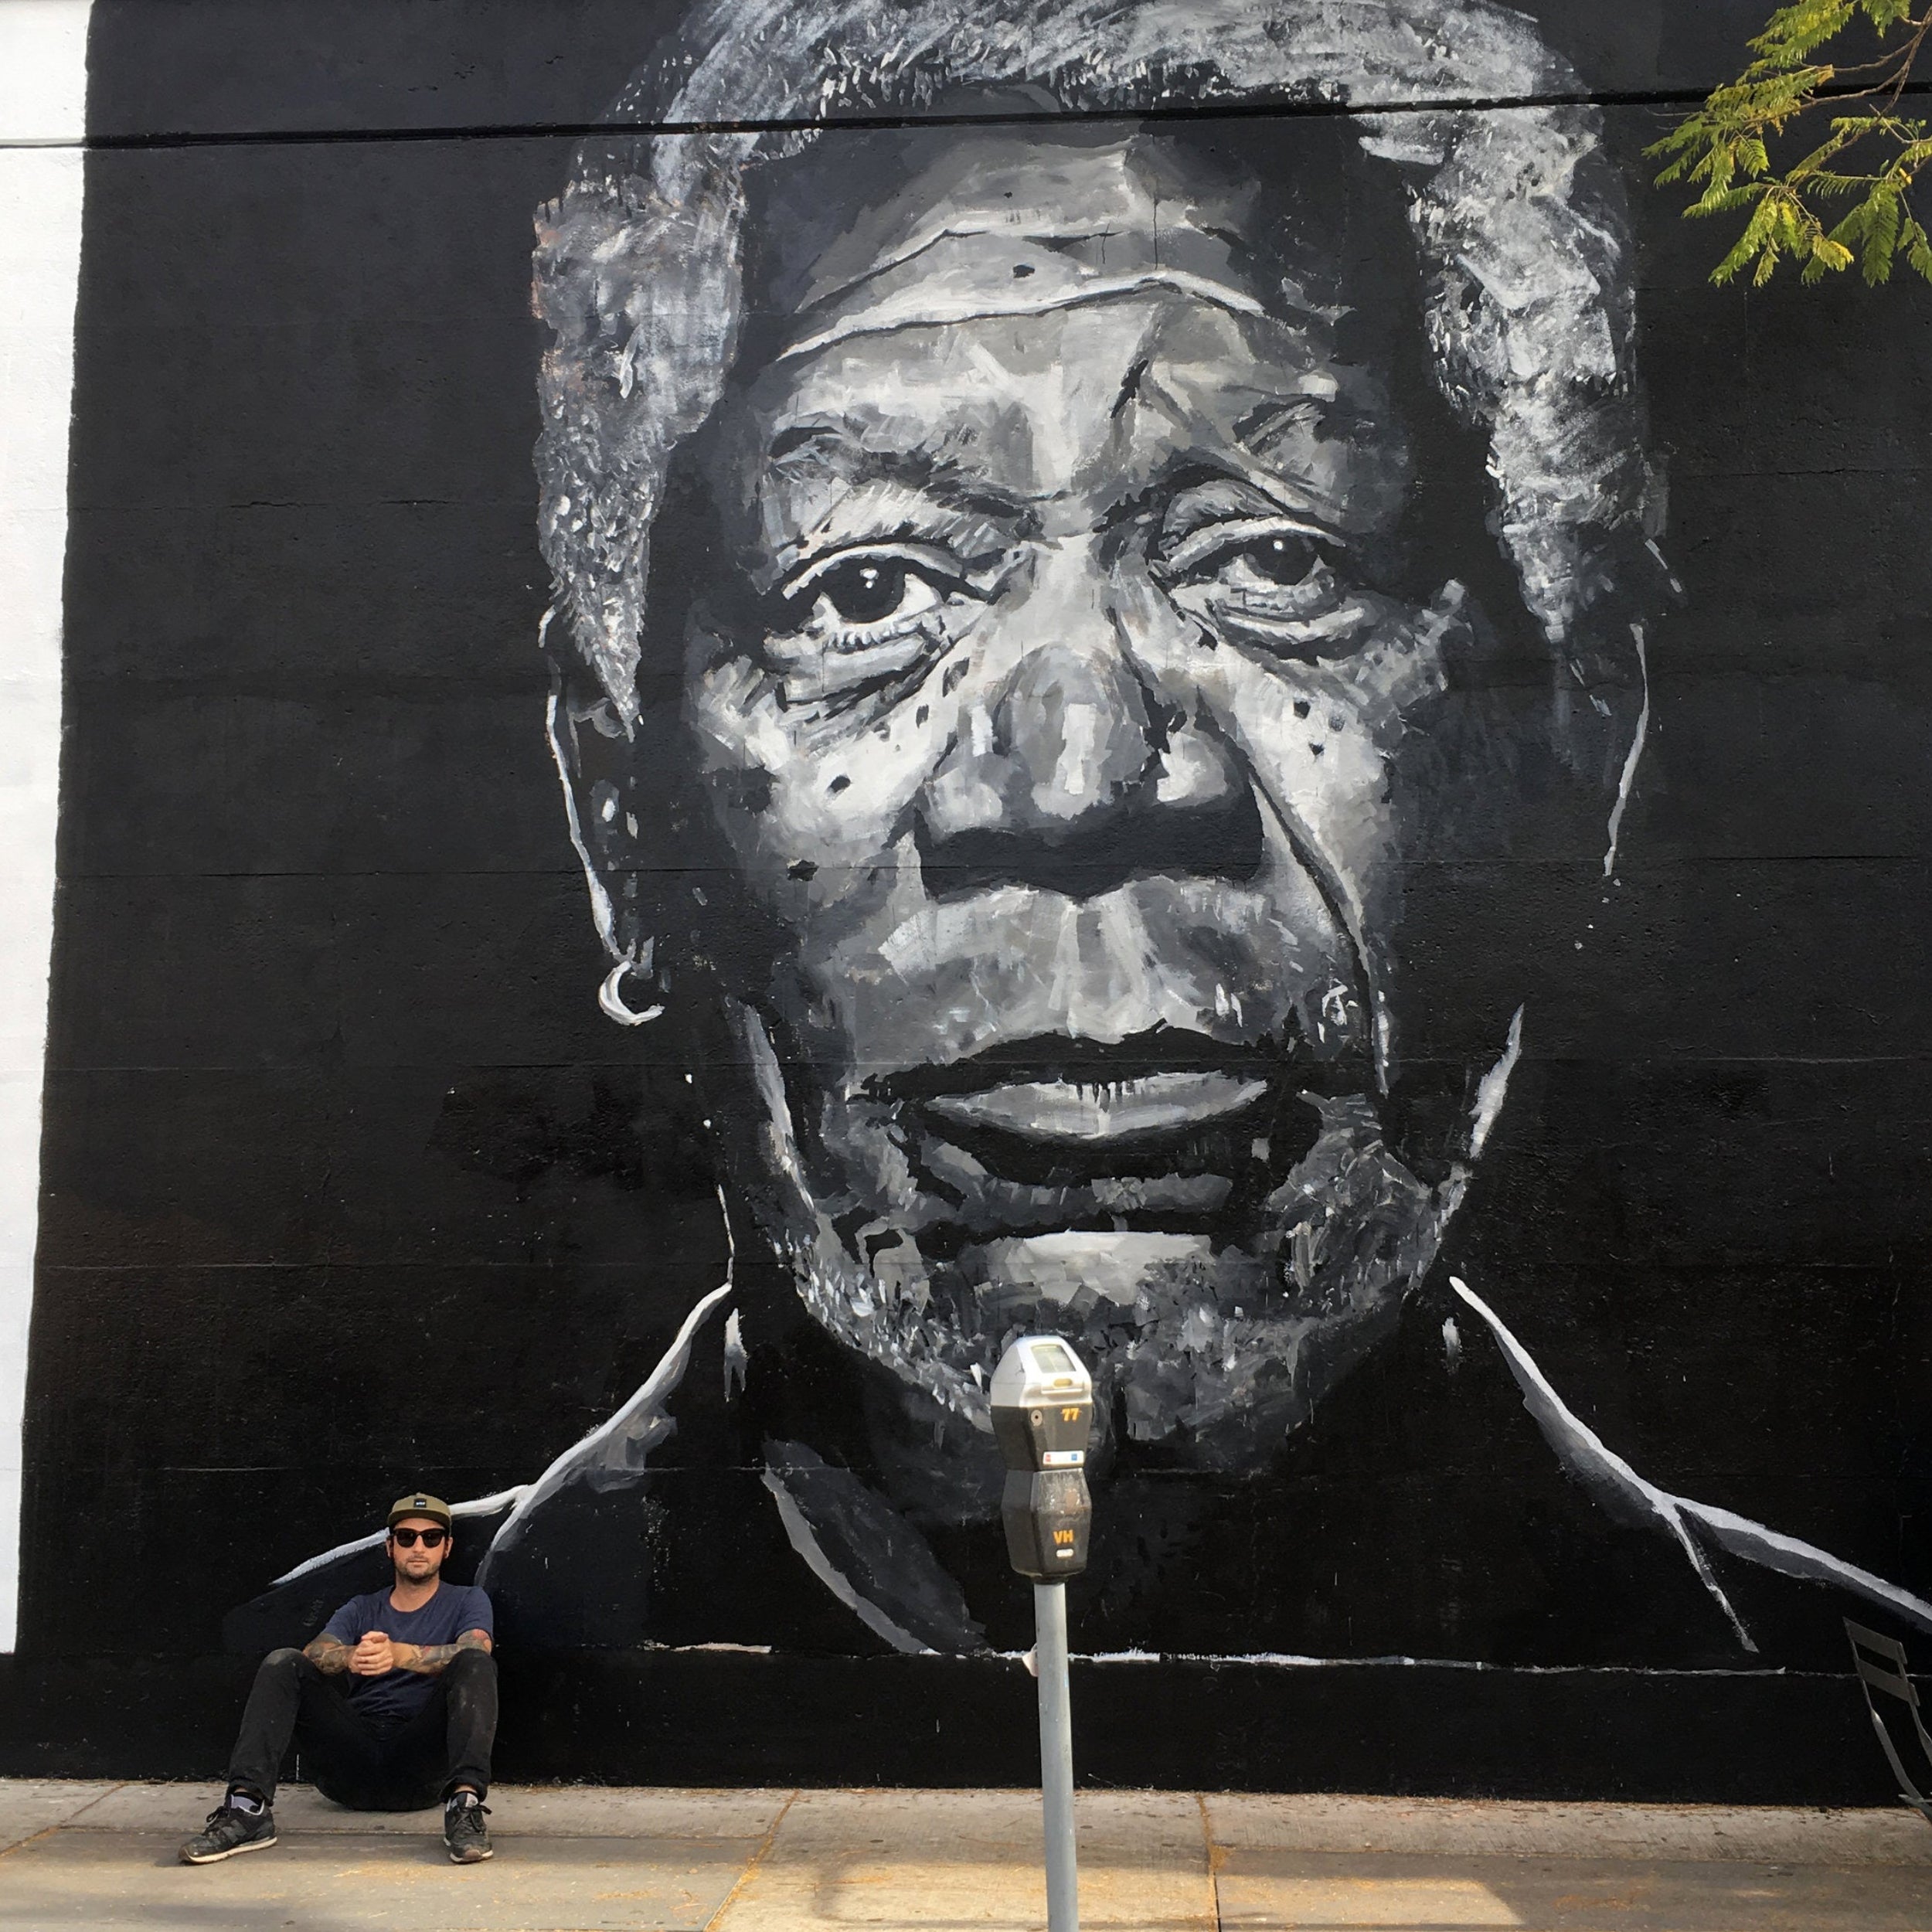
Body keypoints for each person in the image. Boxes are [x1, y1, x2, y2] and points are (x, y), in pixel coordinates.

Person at [233, 0, 1932, 1671]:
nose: (1074, 782)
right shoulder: (300, 1674)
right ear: (620, 813)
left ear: (1577, 748)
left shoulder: (1859, 1718)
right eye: (868, 588)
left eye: (1273, 562)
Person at [188, 1494, 495, 1866]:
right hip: (350, 1766)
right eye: (406, 1537)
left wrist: (400, 1655)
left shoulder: (467, 1600)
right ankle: (246, 1809)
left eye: (431, 1538)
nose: (418, 1547)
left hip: (422, 1769)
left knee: (476, 1663)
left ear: (446, 1548)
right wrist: (351, 1656)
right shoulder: (361, 1607)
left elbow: (477, 1648)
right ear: (389, 1546)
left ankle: (464, 1808)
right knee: (283, 1663)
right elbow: (315, 1652)